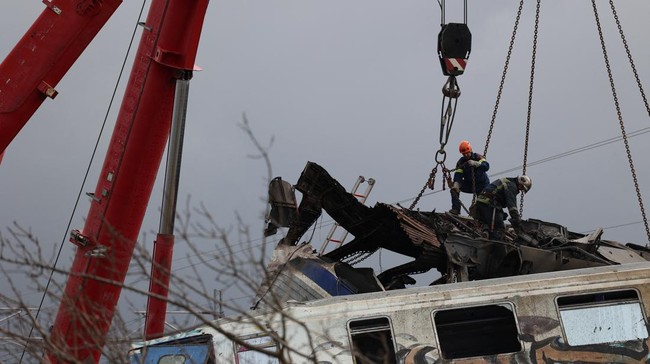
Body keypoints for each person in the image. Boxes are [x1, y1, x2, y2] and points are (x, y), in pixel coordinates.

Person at [474, 175, 533, 240]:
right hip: (490, 205)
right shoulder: (511, 186)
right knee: (499, 228)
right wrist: (517, 220)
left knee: (488, 223)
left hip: (481, 202)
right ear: (520, 183)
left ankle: (485, 232)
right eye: (522, 188)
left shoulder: (508, 181)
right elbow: (512, 207)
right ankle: (496, 246)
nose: (520, 190)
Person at [449, 140, 490, 215]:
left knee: (482, 204)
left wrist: (476, 164)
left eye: (467, 153)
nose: (466, 155)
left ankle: (482, 216)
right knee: (454, 190)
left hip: (482, 185)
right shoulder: (461, 162)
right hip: (470, 185)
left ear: (470, 150)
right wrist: (456, 184)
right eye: (464, 154)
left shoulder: (478, 157)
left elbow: (486, 166)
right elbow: (458, 174)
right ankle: (456, 209)